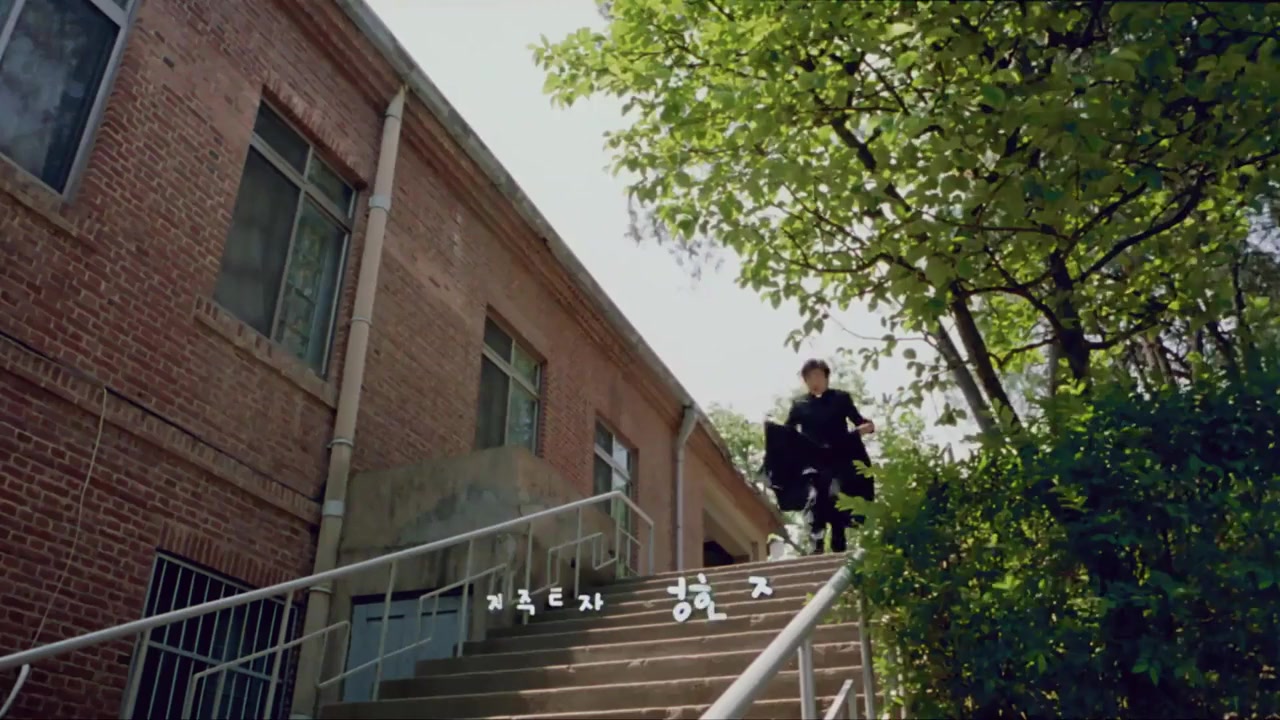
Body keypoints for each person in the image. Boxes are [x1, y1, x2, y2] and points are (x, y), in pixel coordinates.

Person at [783, 359, 875, 555]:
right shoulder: (799, 405)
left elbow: (859, 421)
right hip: (813, 460)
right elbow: (787, 431)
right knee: (815, 497)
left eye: (817, 375)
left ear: (826, 377)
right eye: (809, 377)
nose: (814, 381)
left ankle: (838, 543)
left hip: (839, 457)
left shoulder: (841, 398)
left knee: (836, 496)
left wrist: (866, 427)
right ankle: (816, 543)